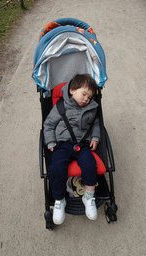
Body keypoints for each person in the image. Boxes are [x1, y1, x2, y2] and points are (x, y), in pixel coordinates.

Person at [43, 74, 100, 225]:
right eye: (84, 94)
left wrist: (95, 138)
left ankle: (88, 196)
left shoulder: (91, 108)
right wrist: (50, 142)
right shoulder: (60, 106)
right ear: (72, 90)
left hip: (82, 144)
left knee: (90, 164)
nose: (86, 99)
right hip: (62, 144)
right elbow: (48, 124)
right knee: (56, 168)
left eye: (89, 97)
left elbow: (95, 124)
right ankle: (60, 200)